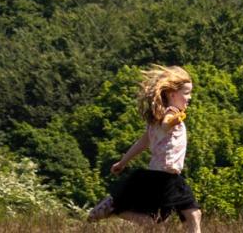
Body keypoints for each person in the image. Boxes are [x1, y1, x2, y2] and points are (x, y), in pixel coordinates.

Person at [86, 65, 201, 232]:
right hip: (165, 176)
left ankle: (116, 208)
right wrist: (174, 120)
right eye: (187, 93)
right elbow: (166, 123)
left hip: (162, 175)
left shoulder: (155, 120)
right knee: (190, 214)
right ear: (172, 94)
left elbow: (143, 142)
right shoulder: (171, 113)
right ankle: (116, 209)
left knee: (184, 216)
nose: (189, 97)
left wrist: (123, 162)